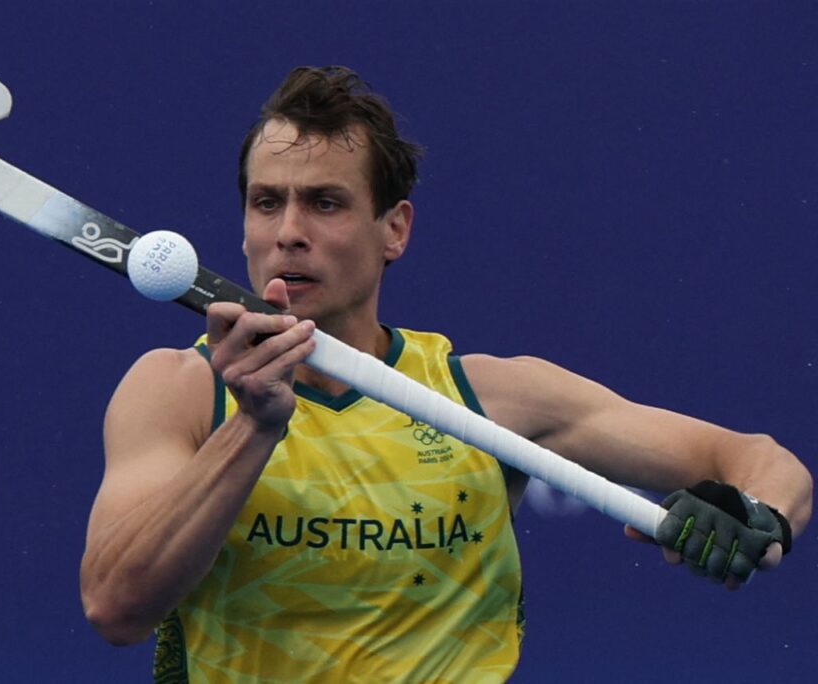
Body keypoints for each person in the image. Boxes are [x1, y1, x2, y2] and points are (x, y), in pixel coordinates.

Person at [79, 66, 812, 682]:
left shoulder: (491, 396)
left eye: (325, 202)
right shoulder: (180, 389)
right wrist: (254, 428)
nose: (288, 231)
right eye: (266, 202)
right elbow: (116, 608)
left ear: (394, 229)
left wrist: (758, 516)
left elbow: (759, 461)